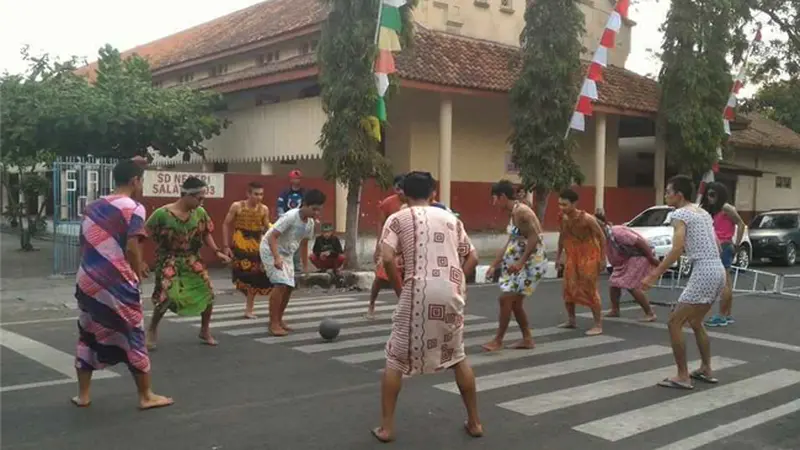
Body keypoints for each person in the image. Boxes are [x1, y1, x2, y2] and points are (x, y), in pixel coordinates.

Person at [371, 171, 482, 443]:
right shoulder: (451, 219)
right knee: (457, 356)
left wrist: (400, 290)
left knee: (395, 358)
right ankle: (475, 422)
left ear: (403, 194)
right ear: (433, 193)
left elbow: (386, 258)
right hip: (450, 292)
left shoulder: (397, 218)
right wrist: (459, 285)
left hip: (417, 292)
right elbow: (473, 257)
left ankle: (386, 428)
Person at [72, 159, 173, 410]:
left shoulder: (92, 206)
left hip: (87, 279)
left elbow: (84, 242)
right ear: (135, 181)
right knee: (133, 336)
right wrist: (136, 272)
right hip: (116, 282)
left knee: (88, 334)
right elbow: (131, 246)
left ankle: (83, 395)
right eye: (142, 181)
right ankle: (146, 395)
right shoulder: (133, 207)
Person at [642, 175, 726, 389]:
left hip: (704, 270)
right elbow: (717, 245)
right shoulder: (704, 213)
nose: (666, 195)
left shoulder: (680, 214)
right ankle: (706, 368)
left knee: (674, 322)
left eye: (668, 192)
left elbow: (677, 248)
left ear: (678, 195)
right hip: (717, 268)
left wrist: (655, 273)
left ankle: (682, 375)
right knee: (696, 322)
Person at [145, 177, 231, 350]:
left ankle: (204, 330)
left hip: (192, 259)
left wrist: (217, 251)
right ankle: (152, 329)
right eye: (199, 198)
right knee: (166, 295)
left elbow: (206, 232)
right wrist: (141, 261)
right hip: (169, 259)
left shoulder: (200, 213)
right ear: (186, 196)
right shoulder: (162, 214)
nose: (201, 202)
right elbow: (143, 234)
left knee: (208, 293)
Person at [481, 180, 548, 352]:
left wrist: (521, 262)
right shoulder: (514, 213)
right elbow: (511, 241)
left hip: (531, 263)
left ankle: (498, 340)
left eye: (494, 198)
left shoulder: (522, 212)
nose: (493, 203)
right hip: (519, 263)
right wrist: (494, 264)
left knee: (505, 299)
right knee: (515, 304)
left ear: (502, 197)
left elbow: (535, 237)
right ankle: (527, 339)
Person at [260, 189, 326, 336]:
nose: (316, 213)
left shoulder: (310, 224)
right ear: (305, 204)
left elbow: (303, 244)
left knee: (289, 286)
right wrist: (276, 257)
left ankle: (279, 318)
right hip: (271, 249)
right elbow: (272, 237)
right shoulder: (290, 216)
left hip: (287, 253)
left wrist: (305, 265)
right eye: (314, 209)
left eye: (319, 210)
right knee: (281, 284)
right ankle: (273, 323)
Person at [555, 188, 606, 336]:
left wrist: (603, 258)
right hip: (572, 254)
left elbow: (602, 237)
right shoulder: (563, 218)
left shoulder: (588, 219)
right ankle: (571, 320)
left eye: (565, 205)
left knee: (589, 288)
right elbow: (562, 237)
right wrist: (558, 257)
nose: (562, 208)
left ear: (574, 204)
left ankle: (598, 324)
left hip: (589, 255)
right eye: (560, 204)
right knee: (568, 287)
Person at [595, 209, 658, 322]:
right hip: (624, 260)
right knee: (614, 283)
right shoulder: (603, 237)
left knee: (630, 284)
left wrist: (651, 258)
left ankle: (650, 313)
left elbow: (639, 242)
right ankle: (615, 310)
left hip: (638, 256)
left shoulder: (617, 232)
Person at [222, 182, 273, 319]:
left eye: (261, 194)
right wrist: (226, 246)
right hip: (240, 242)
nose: (259, 197)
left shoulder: (264, 209)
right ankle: (247, 297)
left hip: (256, 244)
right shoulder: (237, 206)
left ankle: (249, 309)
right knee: (241, 274)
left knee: (254, 276)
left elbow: (267, 227)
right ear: (248, 194)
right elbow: (226, 224)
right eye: (256, 194)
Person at [700, 182, 745, 327]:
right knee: (727, 282)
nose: (710, 198)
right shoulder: (713, 210)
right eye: (708, 195)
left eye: (713, 195)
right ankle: (727, 314)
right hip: (716, 246)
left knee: (723, 283)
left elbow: (741, 224)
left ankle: (722, 315)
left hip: (724, 245)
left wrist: (736, 244)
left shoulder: (726, 207)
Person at [366, 174, 406, 319]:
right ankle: (371, 304)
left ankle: (404, 307)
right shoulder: (388, 203)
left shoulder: (414, 202)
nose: (400, 192)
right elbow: (380, 224)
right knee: (381, 278)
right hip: (390, 245)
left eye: (403, 189)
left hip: (407, 246)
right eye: (398, 189)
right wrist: (379, 246)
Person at [277, 169, 306, 274]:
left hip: (299, 221)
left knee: (296, 244)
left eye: (298, 178)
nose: (296, 180)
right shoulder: (285, 193)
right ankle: (285, 266)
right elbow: (280, 206)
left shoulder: (304, 193)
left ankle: (297, 267)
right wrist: (282, 218)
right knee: (285, 244)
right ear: (290, 179)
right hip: (287, 221)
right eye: (294, 178)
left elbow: (307, 206)